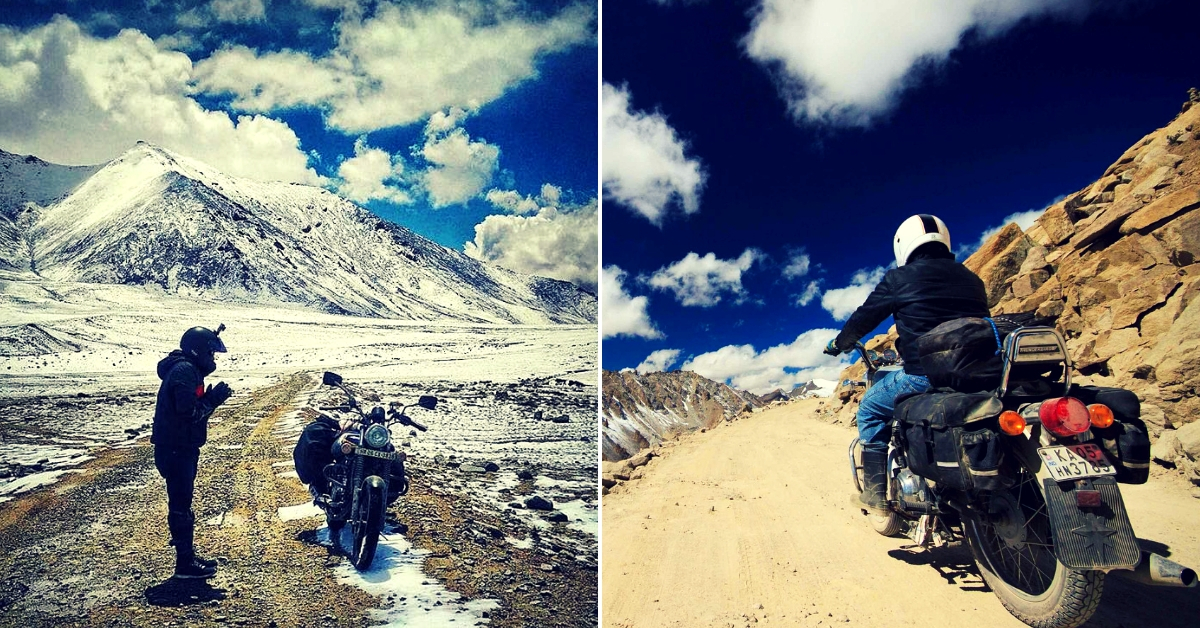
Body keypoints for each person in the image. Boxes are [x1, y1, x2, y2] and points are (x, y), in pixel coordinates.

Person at [822, 215, 989, 509]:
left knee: (871, 408)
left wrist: (840, 343)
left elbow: (864, 317)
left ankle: (875, 496)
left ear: (903, 244)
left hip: (925, 375)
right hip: (979, 373)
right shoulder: (971, 278)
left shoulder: (899, 279)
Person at [151, 325, 233, 579]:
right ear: (198, 351)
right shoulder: (185, 371)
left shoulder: (186, 370)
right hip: (176, 449)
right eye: (210, 353)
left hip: (178, 447)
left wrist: (207, 401)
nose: (213, 359)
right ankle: (184, 565)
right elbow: (188, 413)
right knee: (180, 505)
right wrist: (213, 401)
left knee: (181, 504)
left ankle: (186, 557)